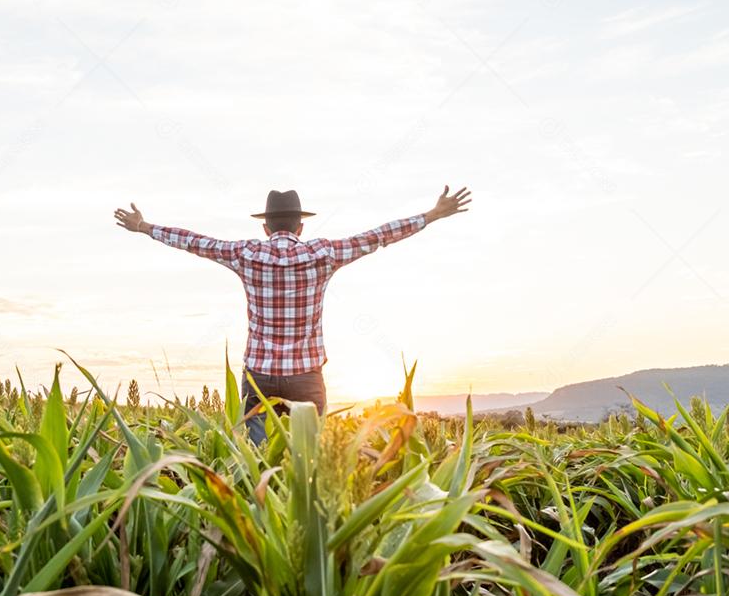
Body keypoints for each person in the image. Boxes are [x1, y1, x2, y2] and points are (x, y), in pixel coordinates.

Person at [115, 185, 471, 444]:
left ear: (266, 227)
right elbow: (377, 237)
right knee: (311, 456)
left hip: (259, 377)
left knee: (254, 455)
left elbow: (196, 242)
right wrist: (431, 215)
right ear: (300, 227)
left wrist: (146, 227)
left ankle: (258, 516)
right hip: (305, 377)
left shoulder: (246, 254)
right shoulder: (323, 253)